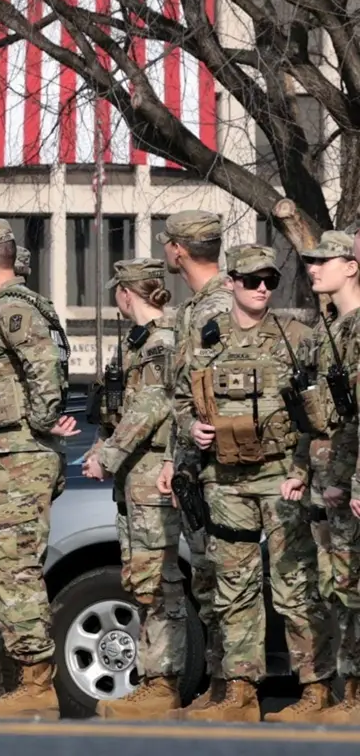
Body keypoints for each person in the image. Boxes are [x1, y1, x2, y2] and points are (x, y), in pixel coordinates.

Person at [180, 244, 333, 722]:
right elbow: (180, 399)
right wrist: (191, 427)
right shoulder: (205, 338)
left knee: (294, 584)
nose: (263, 288)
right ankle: (241, 691)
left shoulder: (296, 337)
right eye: (252, 280)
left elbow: (318, 415)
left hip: (281, 476)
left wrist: (302, 472)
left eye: (270, 280)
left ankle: (316, 689)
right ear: (231, 283)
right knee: (234, 587)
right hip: (225, 481)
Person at [0, 218, 78, 718]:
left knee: (14, 568)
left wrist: (43, 423)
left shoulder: (13, 310)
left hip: (18, 458)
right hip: (0, 456)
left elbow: (44, 370)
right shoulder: (2, 310)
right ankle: (2, 680)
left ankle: (35, 682)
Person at [83, 258, 186, 719]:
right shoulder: (136, 343)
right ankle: (152, 677)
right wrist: (100, 446)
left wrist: (106, 457)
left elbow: (149, 409)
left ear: (126, 293)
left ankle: (162, 682)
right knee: (140, 578)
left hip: (150, 472)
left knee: (158, 580)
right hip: (133, 476)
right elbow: (116, 409)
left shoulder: (162, 343)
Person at [156, 210, 232, 714]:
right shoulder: (192, 309)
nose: (165, 249)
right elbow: (182, 396)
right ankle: (220, 684)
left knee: (225, 578)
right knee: (206, 579)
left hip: (223, 466)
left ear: (179, 249)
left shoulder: (223, 304)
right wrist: (173, 456)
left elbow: (229, 388)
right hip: (194, 467)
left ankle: (232, 686)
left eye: (167, 242)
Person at [305, 230, 360, 724]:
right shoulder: (330, 328)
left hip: (351, 479)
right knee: (340, 585)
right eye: (312, 260)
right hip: (331, 478)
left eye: (325, 260)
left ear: (352, 266)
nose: (314, 267)